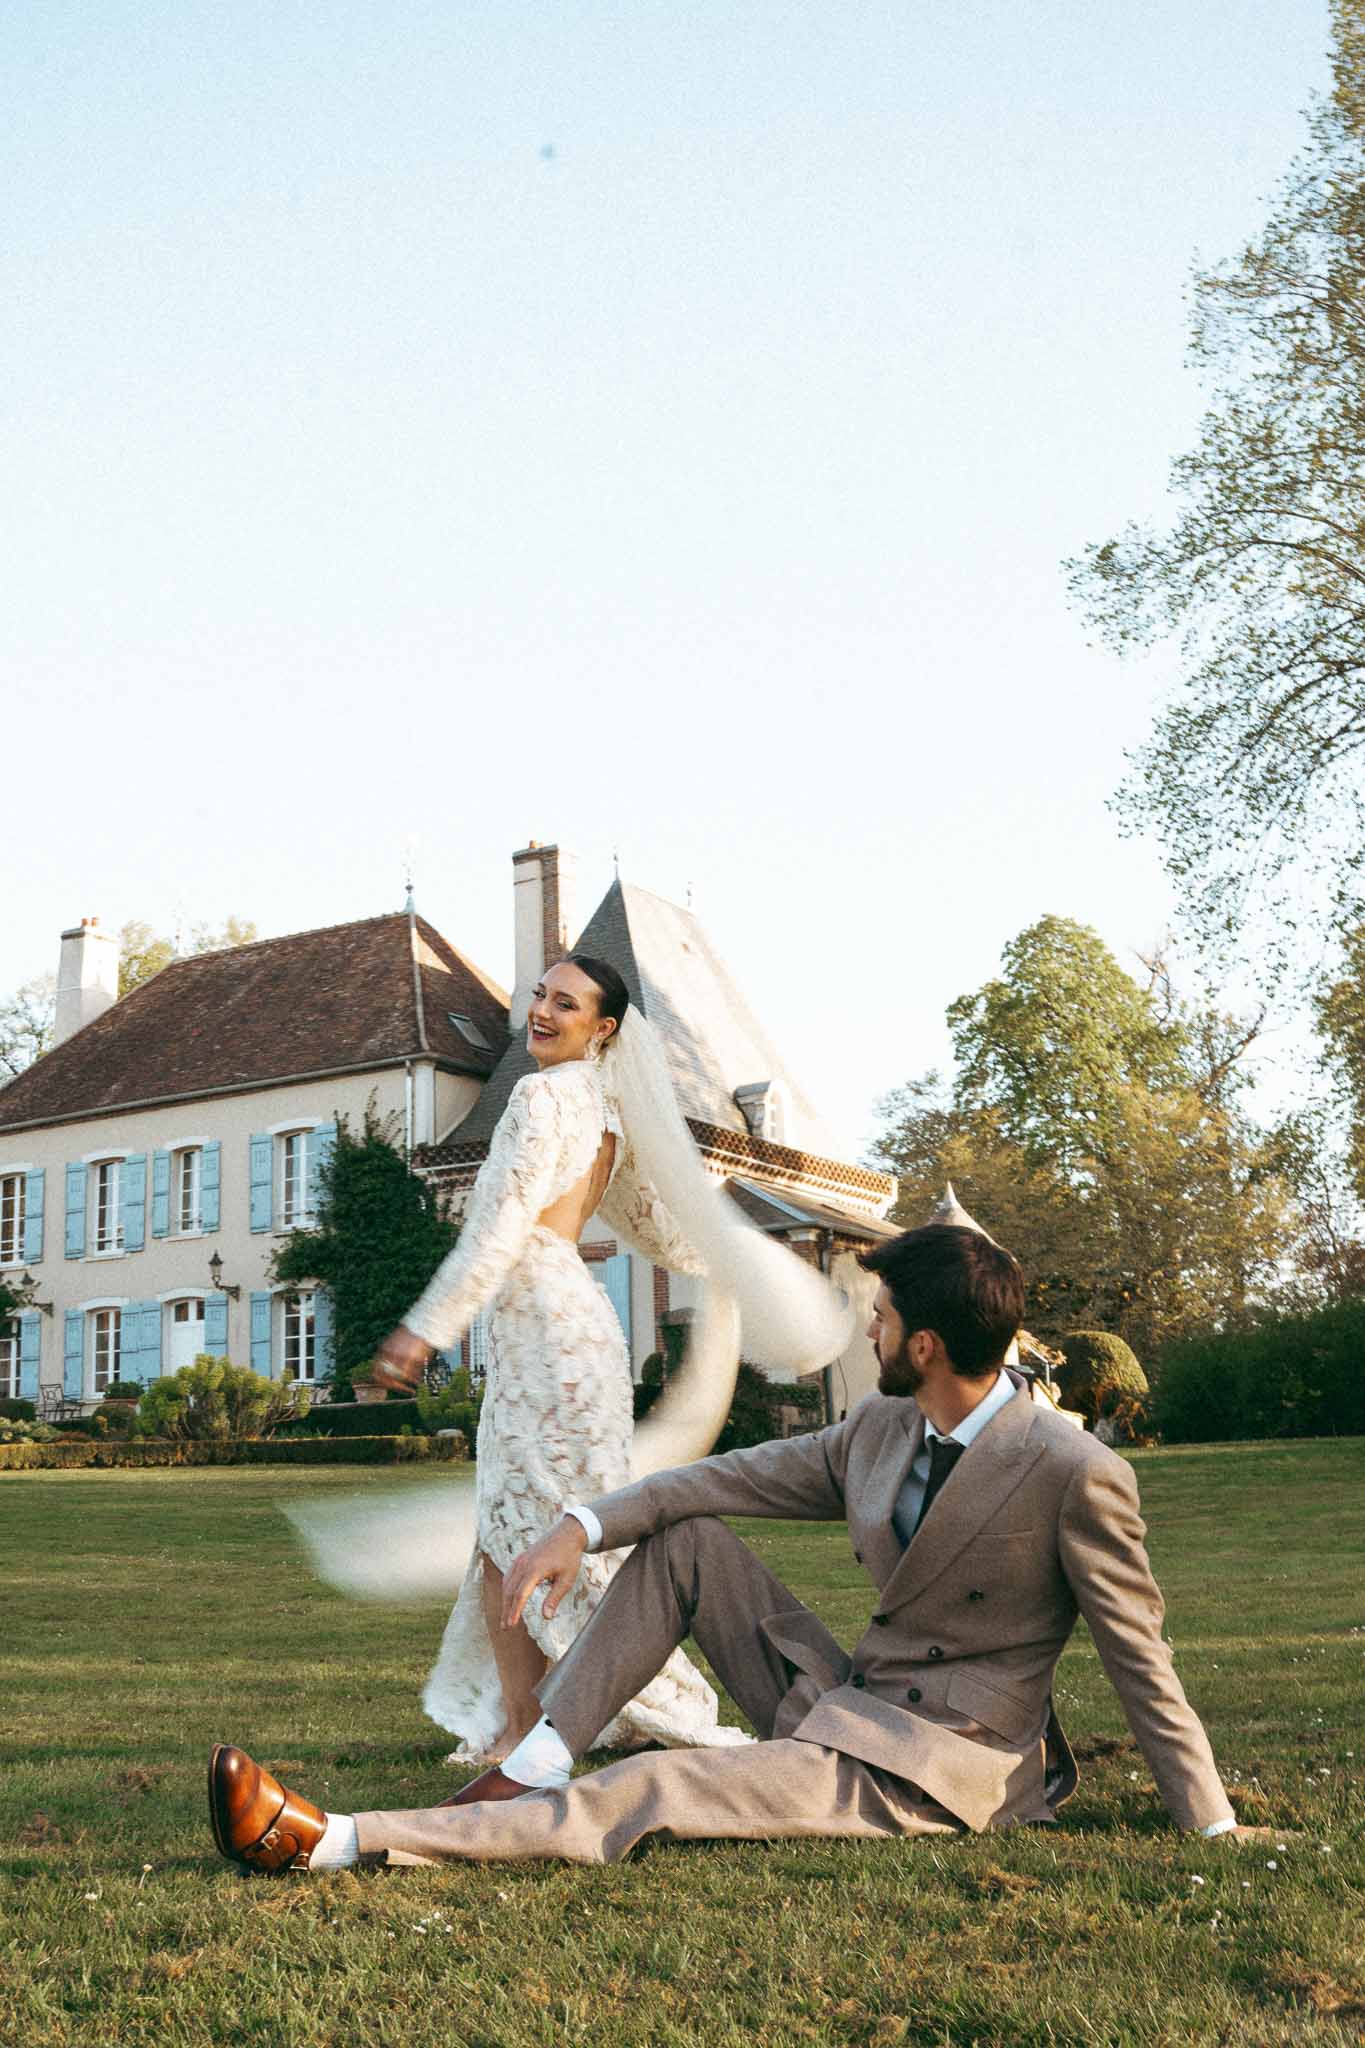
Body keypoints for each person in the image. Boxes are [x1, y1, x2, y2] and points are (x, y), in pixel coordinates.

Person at [210, 1222, 1275, 1873]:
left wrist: (1213, 1826)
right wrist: (578, 1526)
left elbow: (1142, 1658)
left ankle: (338, 1838)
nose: (864, 1330)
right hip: (847, 1698)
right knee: (689, 1538)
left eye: (880, 1314)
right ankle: (532, 1758)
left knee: (663, 1786)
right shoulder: (880, 1426)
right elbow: (714, 1480)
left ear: (926, 1345)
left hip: (935, 1768)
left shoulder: (1071, 1469)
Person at [358, 952, 848, 1769]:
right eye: (540, 997)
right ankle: (547, 1715)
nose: (542, 1013)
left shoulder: (542, 1096)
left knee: (519, 1537)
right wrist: (724, 1261)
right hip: (577, 1331)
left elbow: (499, 1231)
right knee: (530, 1532)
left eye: (567, 1004)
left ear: (604, 1028)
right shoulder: (608, 1116)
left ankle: (531, 1726)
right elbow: (660, 1234)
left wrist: (425, 1329)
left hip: (544, 1331)